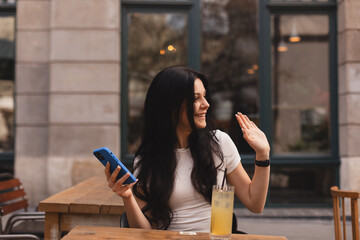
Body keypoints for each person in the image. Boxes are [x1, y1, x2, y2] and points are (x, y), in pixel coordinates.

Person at [105, 66, 270, 232]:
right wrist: (127, 197)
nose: (206, 104)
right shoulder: (147, 160)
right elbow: (145, 232)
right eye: (195, 98)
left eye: (204, 96)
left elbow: (255, 204)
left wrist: (262, 155)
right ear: (170, 106)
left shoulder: (219, 143)